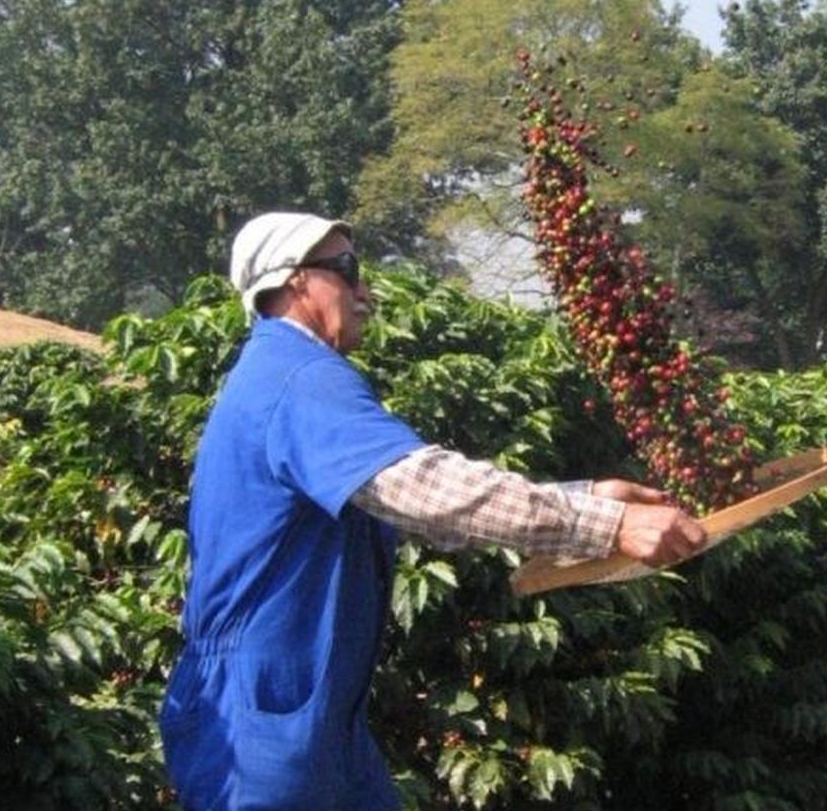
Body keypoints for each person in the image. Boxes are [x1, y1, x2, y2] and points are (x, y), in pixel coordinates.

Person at [159, 212, 706, 810]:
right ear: (294, 282)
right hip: (262, 713)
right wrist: (608, 525)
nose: (366, 292)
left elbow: (418, 510)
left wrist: (587, 495)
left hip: (305, 714)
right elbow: (428, 489)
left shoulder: (283, 377)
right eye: (347, 270)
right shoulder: (298, 377)